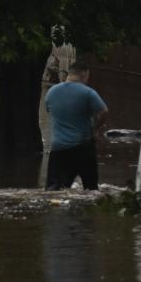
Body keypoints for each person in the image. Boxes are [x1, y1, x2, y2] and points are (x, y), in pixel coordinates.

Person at [44, 61, 108, 190]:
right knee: (90, 189)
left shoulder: (51, 92)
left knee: (54, 189)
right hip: (83, 147)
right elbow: (103, 112)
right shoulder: (88, 93)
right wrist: (94, 129)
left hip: (59, 148)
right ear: (84, 74)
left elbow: (49, 110)